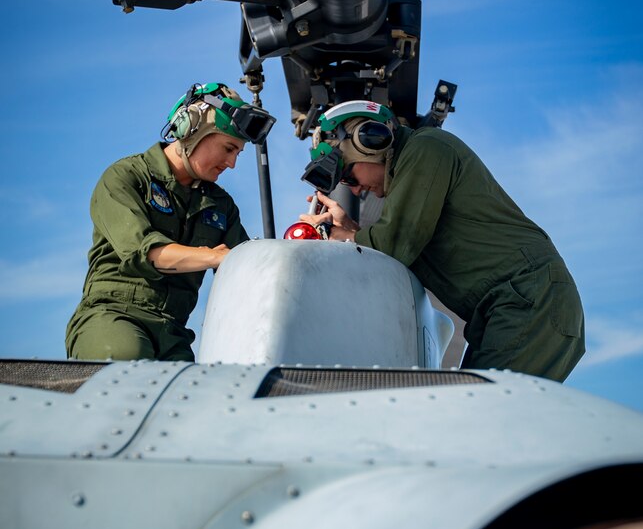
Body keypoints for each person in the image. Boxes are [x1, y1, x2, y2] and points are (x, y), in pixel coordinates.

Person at [299, 100, 585, 382]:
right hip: (511, 309)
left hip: (529, 301)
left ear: (371, 142)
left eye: (349, 176)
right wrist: (349, 230)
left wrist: (339, 238)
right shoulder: (414, 169)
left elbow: (394, 246)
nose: (358, 189)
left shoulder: (426, 148)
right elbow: (393, 244)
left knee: (478, 416)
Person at [66, 82, 275, 362]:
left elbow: (250, 269)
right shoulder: (127, 177)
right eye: (228, 148)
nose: (232, 163)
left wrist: (314, 246)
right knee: (127, 362)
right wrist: (213, 257)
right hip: (114, 315)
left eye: (238, 153)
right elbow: (146, 252)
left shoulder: (221, 205)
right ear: (191, 129)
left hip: (173, 333)